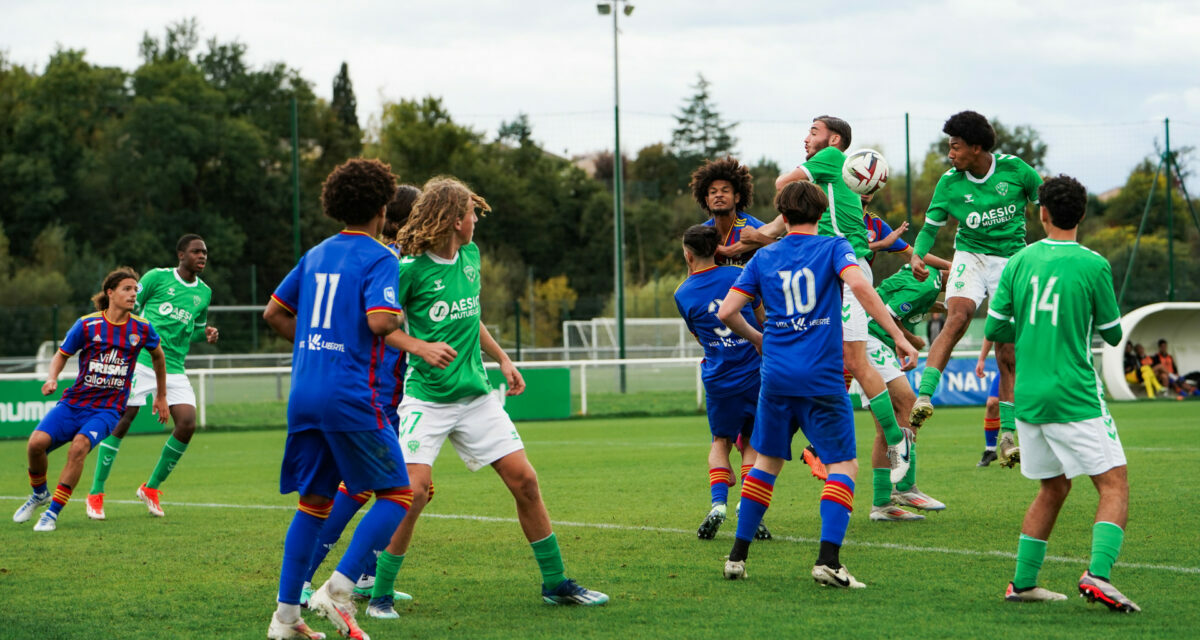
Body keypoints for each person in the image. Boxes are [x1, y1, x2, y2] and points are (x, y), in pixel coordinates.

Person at [365, 176, 608, 620]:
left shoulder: (471, 257)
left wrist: (503, 359)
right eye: (471, 214)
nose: (476, 220)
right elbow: (380, 325)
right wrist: (420, 347)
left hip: (476, 399)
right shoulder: (409, 270)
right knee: (412, 493)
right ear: (455, 220)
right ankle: (380, 594)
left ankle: (555, 583)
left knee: (526, 482)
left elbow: (471, 317)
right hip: (427, 400)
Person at [716, 180, 918, 587]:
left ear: (784, 217)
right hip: (822, 377)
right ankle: (828, 560)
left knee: (767, 463)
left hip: (775, 377)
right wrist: (897, 335)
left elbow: (727, 311)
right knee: (844, 464)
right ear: (822, 215)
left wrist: (760, 339)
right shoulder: (833, 247)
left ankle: (737, 556)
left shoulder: (764, 256)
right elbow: (860, 285)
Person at [262, 158, 415, 640]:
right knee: (398, 495)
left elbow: (274, 313)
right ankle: (340, 587)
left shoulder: (317, 252)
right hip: (349, 394)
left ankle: (286, 619)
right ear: (383, 205)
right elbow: (381, 321)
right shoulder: (379, 256)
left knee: (313, 504)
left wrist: (318, 345)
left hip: (305, 391)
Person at [985, 174, 1138, 612]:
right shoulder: (1093, 265)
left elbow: (995, 327)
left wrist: (1032, 329)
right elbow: (1111, 335)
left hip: (1029, 398)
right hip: (1074, 395)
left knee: (1052, 488)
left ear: (1042, 212)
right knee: (1114, 485)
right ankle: (1099, 574)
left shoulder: (1019, 262)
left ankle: (1023, 583)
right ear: (1084, 214)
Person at [743, 115, 914, 477]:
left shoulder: (830, 159)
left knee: (851, 360)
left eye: (813, 132)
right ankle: (821, 449)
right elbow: (780, 225)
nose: (806, 138)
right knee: (832, 363)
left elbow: (781, 185)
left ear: (834, 139)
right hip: (837, 273)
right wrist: (752, 239)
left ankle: (896, 440)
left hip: (846, 271)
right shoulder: (828, 185)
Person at [299, 184, 421, 607]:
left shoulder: (395, 259)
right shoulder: (390, 262)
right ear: (403, 219)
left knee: (388, 486)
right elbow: (380, 325)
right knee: (367, 487)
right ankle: (316, 578)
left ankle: (364, 574)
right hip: (376, 389)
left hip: (387, 388)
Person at [907, 111, 1043, 470]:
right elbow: (928, 229)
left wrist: (1049, 249)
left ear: (977, 147)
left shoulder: (1017, 171)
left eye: (955, 147)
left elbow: (1047, 205)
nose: (950, 154)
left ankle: (1010, 435)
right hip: (970, 256)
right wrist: (917, 255)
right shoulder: (949, 183)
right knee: (958, 316)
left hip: (1011, 262)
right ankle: (923, 397)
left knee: (1008, 349)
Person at [13, 268, 168, 532]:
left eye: (135, 290)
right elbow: (62, 354)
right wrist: (52, 378)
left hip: (108, 409)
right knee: (35, 445)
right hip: (74, 403)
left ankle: (51, 514)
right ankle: (40, 494)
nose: (133, 294)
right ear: (110, 292)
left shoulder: (142, 328)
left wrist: (161, 396)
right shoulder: (87, 324)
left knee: (79, 447)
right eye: (127, 289)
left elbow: (158, 357)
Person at [85, 234, 217, 520]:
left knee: (187, 424)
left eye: (205, 252)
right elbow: (124, 307)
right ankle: (96, 492)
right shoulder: (157, 278)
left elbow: (190, 330)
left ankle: (151, 488)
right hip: (141, 360)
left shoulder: (204, 293)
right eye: (196, 251)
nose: (202, 256)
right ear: (181, 255)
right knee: (122, 420)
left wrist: (203, 333)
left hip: (175, 368)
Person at [673, 224, 771, 541]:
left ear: (688, 255)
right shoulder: (738, 275)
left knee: (720, 442)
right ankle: (750, 507)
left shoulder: (682, 293)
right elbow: (762, 319)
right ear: (717, 249)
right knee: (752, 443)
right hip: (755, 373)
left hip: (719, 377)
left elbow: (697, 335)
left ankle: (718, 505)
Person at [862, 265, 950, 521]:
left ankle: (882, 504)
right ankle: (905, 487)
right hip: (872, 336)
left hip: (868, 336)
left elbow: (904, 300)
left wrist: (943, 307)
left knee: (884, 428)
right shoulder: (927, 284)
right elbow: (887, 313)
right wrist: (910, 340)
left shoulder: (929, 277)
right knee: (910, 406)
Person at [690, 156, 766, 266]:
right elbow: (694, 272)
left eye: (725, 191)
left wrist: (758, 238)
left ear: (737, 197)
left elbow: (783, 248)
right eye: (713, 192)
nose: (719, 195)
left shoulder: (752, 226)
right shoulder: (702, 233)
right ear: (707, 200)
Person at [975, 339, 1002, 467]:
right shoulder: (1002, 318)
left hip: (1032, 366)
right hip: (1007, 366)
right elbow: (990, 331)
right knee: (992, 403)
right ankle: (990, 450)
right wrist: (982, 359)